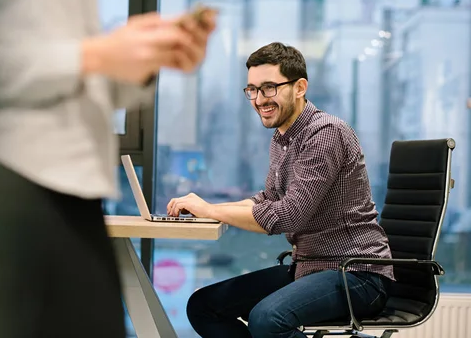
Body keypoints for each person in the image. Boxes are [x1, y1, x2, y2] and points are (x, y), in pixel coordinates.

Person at [0, 0, 217, 337]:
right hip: (6, 180)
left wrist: (144, 60)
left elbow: (82, 81)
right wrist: (95, 55)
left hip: (76, 186)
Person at [166, 42, 393, 338]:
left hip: (357, 273)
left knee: (268, 319)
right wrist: (204, 206)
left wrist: (209, 210)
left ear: (299, 87)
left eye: (269, 87)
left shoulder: (325, 134)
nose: (259, 100)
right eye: (252, 90)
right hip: (310, 267)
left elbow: (287, 216)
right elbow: (268, 200)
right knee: (204, 305)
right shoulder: (282, 138)